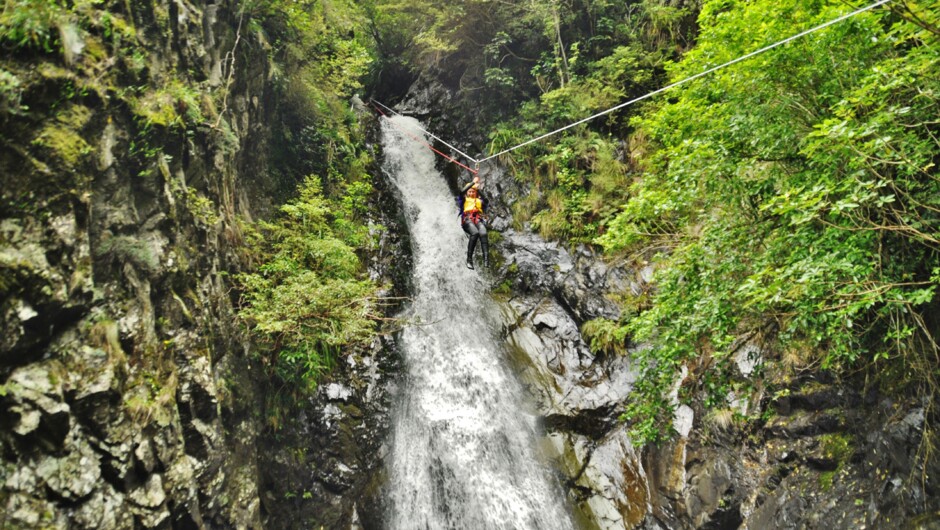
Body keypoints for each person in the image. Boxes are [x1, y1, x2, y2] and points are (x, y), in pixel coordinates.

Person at [458, 176, 489, 269]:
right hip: (467, 220)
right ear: (467, 193)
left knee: (483, 233)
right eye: (470, 191)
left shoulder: (480, 201)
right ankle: (469, 260)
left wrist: (477, 189)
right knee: (475, 233)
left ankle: (486, 260)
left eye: (473, 191)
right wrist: (473, 182)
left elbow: (486, 200)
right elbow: (462, 192)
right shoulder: (463, 200)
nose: (471, 193)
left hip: (478, 220)